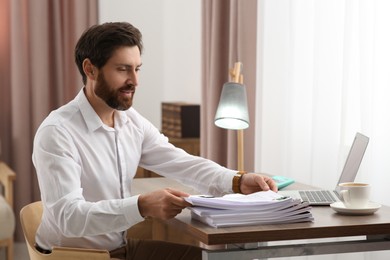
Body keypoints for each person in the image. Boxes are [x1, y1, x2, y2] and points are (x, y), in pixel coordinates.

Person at [32, 22, 277, 260]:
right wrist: (141, 206)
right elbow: (69, 218)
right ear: (90, 69)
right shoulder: (57, 132)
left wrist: (237, 180)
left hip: (119, 249)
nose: (135, 81)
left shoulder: (130, 121)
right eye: (122, 69)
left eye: (137, 69)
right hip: (73, 256)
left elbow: (180, 162)